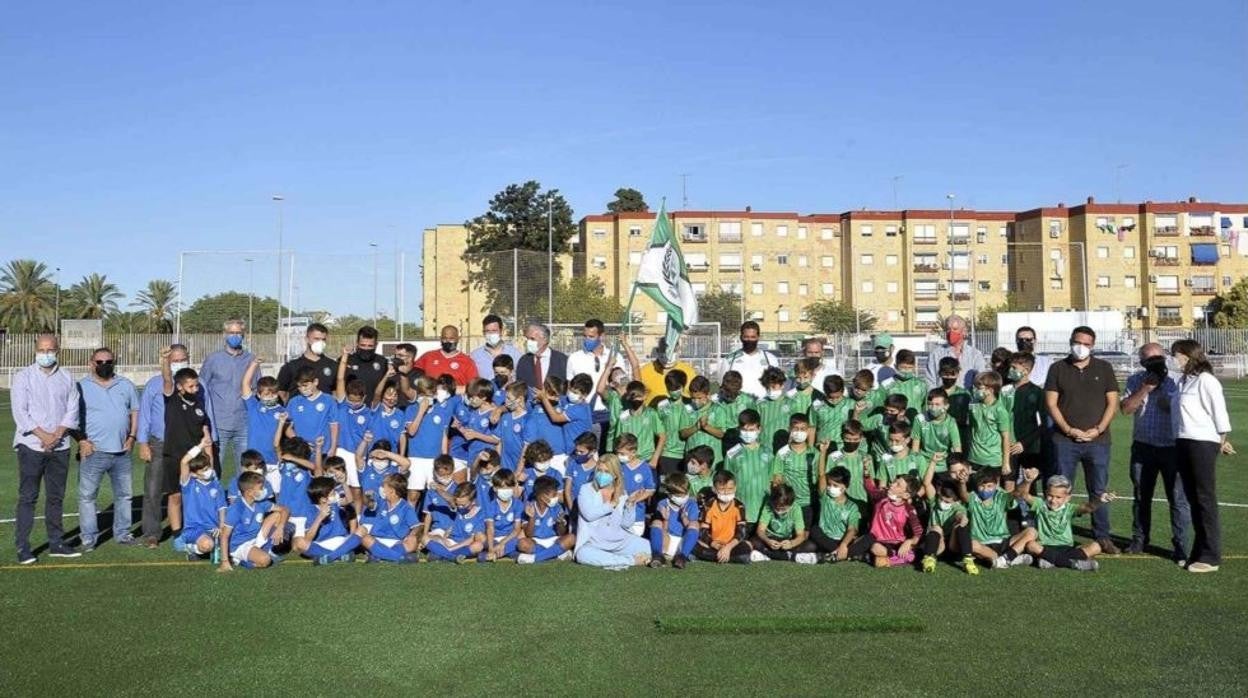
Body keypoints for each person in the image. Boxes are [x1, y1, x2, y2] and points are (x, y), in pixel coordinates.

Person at [1044, 325, 1120, 554]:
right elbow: (1051, 403)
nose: (1081, 347)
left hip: (1098, 442)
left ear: (1093, 346)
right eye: (1078, 342)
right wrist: (1068, 429)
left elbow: (1112, 403)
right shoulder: (1058, 368)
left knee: (1098, 490)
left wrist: (1098, 429)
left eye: (1087, 344)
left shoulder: (1104, 368)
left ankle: (1102, 537)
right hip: (1065, 441)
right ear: (1070, 341)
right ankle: (1056, 534)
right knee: (1060, 490)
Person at [11, 334, 82, 563]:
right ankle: (23, 547)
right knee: (28, 497)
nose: (45, 354)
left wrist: (58, 435)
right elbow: (21, 413)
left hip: (60, 447)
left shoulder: (67, 377)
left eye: (50, 349)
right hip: (31, 446)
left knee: (56, 497)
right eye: (41, 350)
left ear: (58, 350)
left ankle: (56, 543)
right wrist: (44, 436)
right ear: (35, 350)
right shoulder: (23, 377)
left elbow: (72, 409)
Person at [1119, 343, 1189, 562]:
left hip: (1173, 448)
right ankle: (1139, 539)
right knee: (1141, 497)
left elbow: (1184, 412)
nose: (1155, 363)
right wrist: (1146, 388)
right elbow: (1126, 409)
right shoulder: (1135, 380)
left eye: (1158, 358)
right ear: (1142, 362)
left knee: (1178, 499)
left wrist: (1167, 399)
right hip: (1143, 447)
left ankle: (1180, 545)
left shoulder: (1178, 380)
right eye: (1149, 359)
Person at [1170, 339, 1234, 573]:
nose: (1173, 359)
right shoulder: (1183, 381)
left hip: (1202, 443)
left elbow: (1219, 413)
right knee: (1193, 498)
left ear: (1188, 355)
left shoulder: (1207, 381)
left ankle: (1210, 556)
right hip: (1183, 440)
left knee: (1204, 498)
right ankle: (1199, 550)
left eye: (1176, 354)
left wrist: (1221, 440)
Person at [75, 347, 140, 550]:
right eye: (100, 362)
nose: (104, 365)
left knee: (124, 495)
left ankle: (122, 533)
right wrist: (82, 441)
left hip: (121, 452)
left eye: (108, 362)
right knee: (87, 497)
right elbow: (71, 417)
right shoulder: (80, 387)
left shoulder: (126, 385)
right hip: (93, 452)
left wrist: (132, 437)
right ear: (91, 363)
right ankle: (88, 537)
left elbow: (135, 412)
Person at [136, 343, 192, 548]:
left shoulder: (196, 383)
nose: (178, 363)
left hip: (188, 445)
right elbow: (144, 416)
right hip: (159, 443)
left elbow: (206, 411)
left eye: (182, 359)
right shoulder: (154, 384)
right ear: (167, 361)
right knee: (153, 488)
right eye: (174, 360)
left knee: (187, 487)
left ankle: (188, 526)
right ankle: (152, 532)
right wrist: (142, 443)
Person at [161, 347, 214, 550]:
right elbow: (166, 379)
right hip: (174, 456)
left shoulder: (199, 403)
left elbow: (205, 433)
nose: (195, 389)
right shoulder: (172, 398)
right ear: (180, 387)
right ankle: (177, 535)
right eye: (190, 387)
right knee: (175, 496)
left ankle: (199, 529)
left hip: (196, 458)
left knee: (196, 496)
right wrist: (165, 360)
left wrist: (209, 459)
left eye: (196, 385)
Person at [1014, 470, 1113, 571]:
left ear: (1067, 498)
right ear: (1046, 493)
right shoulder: (1040, 505)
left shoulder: (1070, 509)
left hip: (1066, 547)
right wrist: (1027, 481)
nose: (1053, 500)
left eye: (1058, 497)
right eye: (1050, 495)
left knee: (1096, 547)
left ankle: (1049, 559)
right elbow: (1023, 495)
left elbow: (1088, 508)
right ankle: (1073, 564)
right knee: (1031, 545)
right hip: (1045, 546)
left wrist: (1100, 500)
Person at [198, 319, 257, 474]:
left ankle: (240, 497)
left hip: (243, 423)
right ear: (225, 334)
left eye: (238, 333)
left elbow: (255, 389)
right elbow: (201, 387)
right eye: (231, 333)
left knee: (245, 469)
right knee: (214, 467)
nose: (235, 336)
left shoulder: (251, 360)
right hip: (218, 424)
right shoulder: (213, 359)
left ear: (243, 335)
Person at [574, 454, 651, 569]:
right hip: (594, 543)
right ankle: (629, 560)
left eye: (606, 471)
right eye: (599, 470)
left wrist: (630, 503)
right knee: (582, 554)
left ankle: (610, 557)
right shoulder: (586, 489)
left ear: (615, 474)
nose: (602, 474)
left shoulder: (622, 493)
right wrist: (611, 504)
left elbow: (626, 524)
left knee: (648, 547)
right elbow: (589, 515)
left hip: (620, 541)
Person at [218, 470, 283, 572]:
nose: (264, 491)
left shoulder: (260, 502)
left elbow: (284, 510)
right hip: (240, 545)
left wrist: (281, 527)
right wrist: (224, 561)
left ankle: (266, 550)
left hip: (255, 539)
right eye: (261, 488)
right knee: (265, 560)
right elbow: (224, 535)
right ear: (249, 492)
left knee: (278, 515)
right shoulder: (236, 508)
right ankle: (239, 561)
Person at [177, 438, 226, 561]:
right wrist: (200, 446)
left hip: (214, 528)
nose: (209, 471)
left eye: (208, 467)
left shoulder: (216, 484)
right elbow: (184, 462)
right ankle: (190, 547)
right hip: (194, 528)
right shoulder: (189, 484)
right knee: (208, 545)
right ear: (194, 474)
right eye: (204, 470)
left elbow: (222, 507)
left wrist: (221, 526)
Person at [359, 472, 422, 563]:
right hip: (377, 540)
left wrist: (412, 534)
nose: (382, 489)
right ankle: (397, 558)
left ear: (392, 491)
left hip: (396, 542)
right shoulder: (381, 502)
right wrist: (367, 496)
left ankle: (379, 556)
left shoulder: (406, 507)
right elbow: (369, 504)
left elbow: (417, 526)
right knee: (365, 538)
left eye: (384, 487)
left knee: (412, 542)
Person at [693, 470, 753, 564]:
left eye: (730, 489)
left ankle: (720, 556)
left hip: (732, 544)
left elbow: (742, 532)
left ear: (735, 488)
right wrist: (716, 545)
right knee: (694, 546)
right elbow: (703, 531)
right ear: (715, 489)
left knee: (746, 548)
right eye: (722, 489)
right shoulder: (709, 506)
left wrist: (728, 547)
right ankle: (727, 557)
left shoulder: (739, 506)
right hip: (713, 544)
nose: (726, 492)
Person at [749, 484, 818, 563]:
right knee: (753, 541)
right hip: (770, 538)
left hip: (787, 540)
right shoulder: (768, 505)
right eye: (776, 507)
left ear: (791, 504)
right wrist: (768, 540)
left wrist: (792, 543)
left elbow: (801, 535)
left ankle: (767, 555)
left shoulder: (796, 509)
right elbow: (760, 530)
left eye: (782, 508)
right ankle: (791, 556)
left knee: (811, 546)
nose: (779, 511)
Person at [517, 475, 575, 564]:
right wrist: (532, 517)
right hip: (536, 542)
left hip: (554, 540)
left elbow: (561, 533)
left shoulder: (557, 507)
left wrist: (560, 524)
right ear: (542, 496)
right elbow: (529, 534)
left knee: (571, 538)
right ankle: (555, 553)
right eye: (554, 494)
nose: (557, 497)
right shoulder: (529, 507)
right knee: (522, 544)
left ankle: (535, 558)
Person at [647, 472, 700, 568]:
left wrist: (684, 518)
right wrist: (666, 519)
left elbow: (692, 530)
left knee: (695, 524)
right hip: (666, 541)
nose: (683, 497)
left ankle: (682, 557)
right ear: (670, 494)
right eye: (679, 495)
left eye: (685, 494)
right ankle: (657, 555)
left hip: (683, 543)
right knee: (657, 522)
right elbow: (663, 531)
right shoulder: (662, 504)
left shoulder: (691, 504)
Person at [810, 465, 862, 563]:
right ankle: (842, 554)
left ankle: (833, 553)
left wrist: (843, 545)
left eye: (835, 485)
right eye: (829, 484)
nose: (830, 488)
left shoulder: (852, 506)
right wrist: (823, 452)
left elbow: (852, 529)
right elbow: (821, 474)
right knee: (814, 530)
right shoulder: (825, 497)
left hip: (842, 540)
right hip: (825, 539)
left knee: (866, 539)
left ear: (845, 487)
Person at [718, 321, 779, 399]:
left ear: (758, 337)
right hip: (738, 407)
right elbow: (722, 385)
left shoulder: (770, 359)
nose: (749, 340)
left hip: (763, 407)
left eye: (753, 337)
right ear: (741, 337)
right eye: (746, 337)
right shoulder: (729, 360)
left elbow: (777, 385)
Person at [276, 323, 336, 401]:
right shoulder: (291, 366)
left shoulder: (333, 365)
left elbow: (335, 393)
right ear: (307, 339)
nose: (320, 343)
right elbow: (282, 394)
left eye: (323, 339)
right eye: (316, 339)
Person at [924, 315, 985, 390]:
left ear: (964, 331)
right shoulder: (935, 354)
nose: (951, 332)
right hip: (943, 398)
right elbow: (930, 381)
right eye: (948, 329)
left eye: (955, 329)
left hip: (967, 399)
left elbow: (981, 380)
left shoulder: (975, 355)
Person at [516, 322, 568, 401]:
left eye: (532, 339)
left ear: (545, 340)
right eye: (527, 339)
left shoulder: (562, 360)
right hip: (531, 409)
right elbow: (519, 387)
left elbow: (566, 387)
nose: (528, 342)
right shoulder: (524, 361)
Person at [415, 325, 479, 388]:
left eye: (451, 338)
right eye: (445, 338)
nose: (448, 341)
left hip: (456, 397)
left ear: (458, 339)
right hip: (430, 397)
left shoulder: (467, 361)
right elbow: (414, 373)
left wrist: (452, 391)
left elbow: (473, 386)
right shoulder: (428, 356)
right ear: (441, 339)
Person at [638, 337, 695, 401]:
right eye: (663, 350)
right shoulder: (644, 371)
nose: (667, 355)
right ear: (657, 350)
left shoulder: (689, 371)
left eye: (672, 351)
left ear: (679, 350)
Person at [470, 314, 523, 380]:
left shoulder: (515, 353)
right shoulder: (475, 356)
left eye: (494, 331)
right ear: (483, 333)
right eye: (487, 331)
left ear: (501, 332)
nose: (491, 334)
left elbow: (521, 378)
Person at [341, 326, 388, 399]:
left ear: (376, 344)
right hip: (351, 408)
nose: (366, 348)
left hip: (374, 408)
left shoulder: (383, 362)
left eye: (370, 346)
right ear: (357, 343)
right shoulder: (346, 360)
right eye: (363, 345)